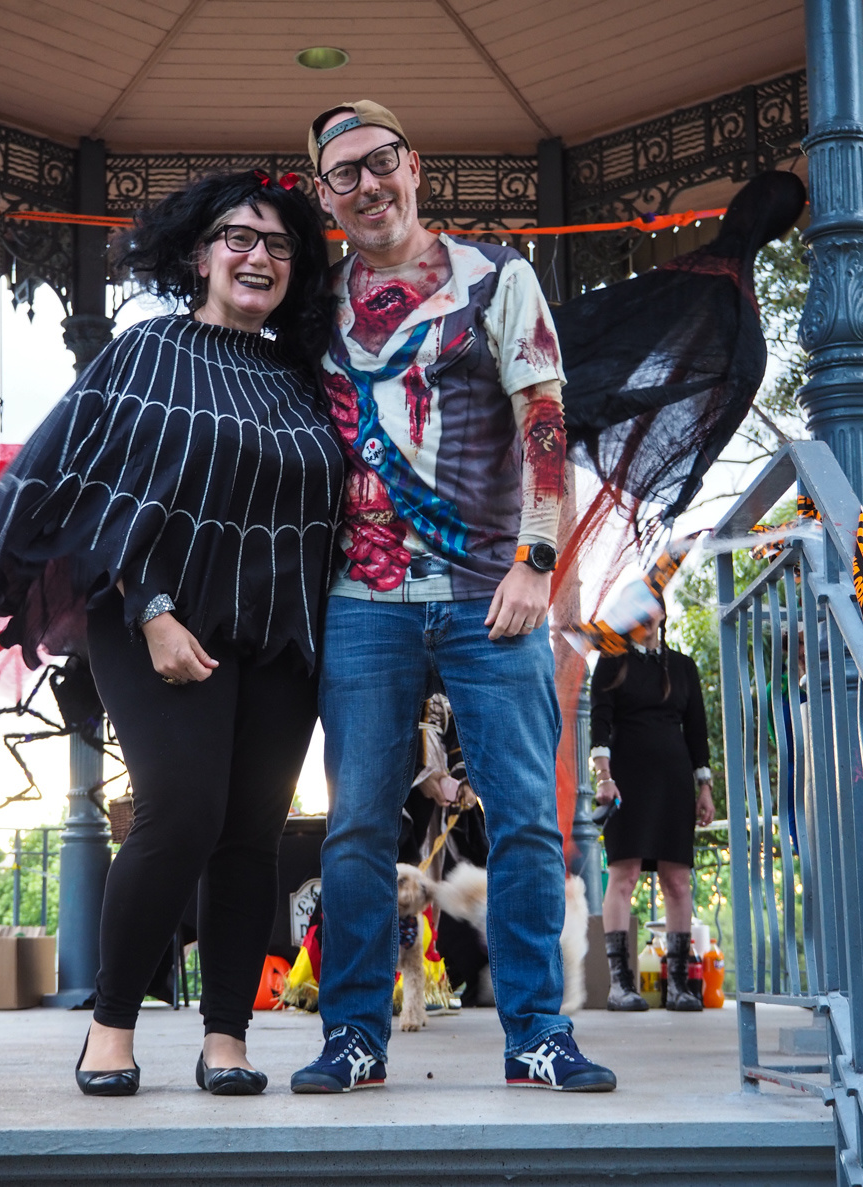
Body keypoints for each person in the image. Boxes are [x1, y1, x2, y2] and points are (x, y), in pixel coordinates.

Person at [0, 170, 344, 1095]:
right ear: (198, 253)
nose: (257, 256)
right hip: (158, 616)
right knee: (180, 813)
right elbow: (96, 490)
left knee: (253, 833)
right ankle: (110, 1025)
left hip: (281, 633)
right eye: (238, 238)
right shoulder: (148, 350)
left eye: (279, 245)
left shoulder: (308, 378)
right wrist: (151, 610)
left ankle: (227, 1039)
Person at [289, 100, 616, 1094]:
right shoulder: (316, 300)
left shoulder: (497, 277)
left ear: (413, 164)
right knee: (353, 826)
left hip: (491, 591)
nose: (365, 185)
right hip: (361, 596)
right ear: (323, 193)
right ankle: (353, 1034)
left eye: (379, 162)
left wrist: (537, 560)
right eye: (341, 174)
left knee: (522, 815)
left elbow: (544, 420)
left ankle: (535, 1034)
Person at [591, 601, 714, 1012]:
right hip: (627, 778)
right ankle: (619, 986)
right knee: (622, 875)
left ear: (661, 614)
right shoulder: (612, 660)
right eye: (637, 610)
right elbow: (600, 721)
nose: (645, 618)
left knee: (677, 880)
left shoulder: (683, 666)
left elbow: (697, 731)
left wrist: (705, 788)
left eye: (651, 610)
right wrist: (604, 777)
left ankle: (678, 985)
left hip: (674, 779)